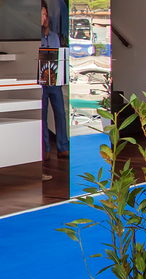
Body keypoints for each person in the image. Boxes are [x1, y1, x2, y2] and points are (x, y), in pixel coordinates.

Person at [41, 0, 69, 180]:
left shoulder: (54, 36)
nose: (43, 18)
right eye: (41, 14)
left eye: (45, 14)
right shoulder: (34, 37)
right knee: (42, 115)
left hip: (54, 80)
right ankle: (45, 149)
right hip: (40, 82)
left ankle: (63, 147)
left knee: (60, 113)